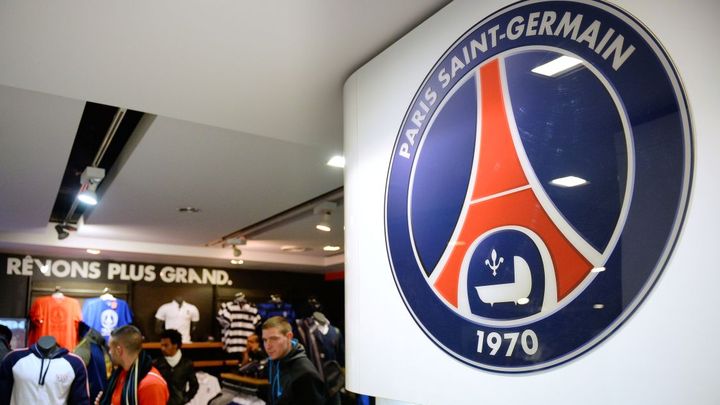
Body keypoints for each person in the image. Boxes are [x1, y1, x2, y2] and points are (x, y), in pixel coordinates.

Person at [98, 325, 169, 405]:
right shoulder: (121, 374)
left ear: (119, 350)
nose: (109, 352)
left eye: (110, 348)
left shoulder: (152, 384)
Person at [262, 316, 326, 405]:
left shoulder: (306, 374)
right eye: (265, 340)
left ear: (289, 337)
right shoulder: (273, 362)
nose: (268, 346)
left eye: (274, 339)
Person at [154, 329, 198, 405]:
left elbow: (194, 386)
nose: (163, 348)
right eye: (162, 345)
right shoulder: (157, 364)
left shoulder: (186, 364)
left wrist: (184, 399)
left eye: (166, 345)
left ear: (175, 345)